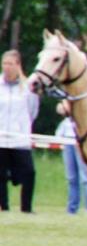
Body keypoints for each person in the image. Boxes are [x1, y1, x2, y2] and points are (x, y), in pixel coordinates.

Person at [0, 49, 38, 213]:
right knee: (0, 176)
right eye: (4, 63)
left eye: (10, 64)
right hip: (1, 138)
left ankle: (26, 208)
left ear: (18, 66)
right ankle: (4, 207)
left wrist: (23, 128)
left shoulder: (28, 87)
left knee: (29, 173)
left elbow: (33, 111)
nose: (7, 67)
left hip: (20, 139)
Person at [54, 100, 87, 214]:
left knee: (86, 178)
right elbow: (61, 108)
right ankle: (72, 208)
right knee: (72, 178)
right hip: (67, 141)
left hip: (80, 141)